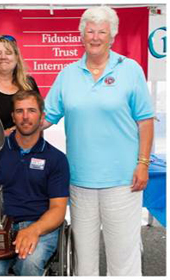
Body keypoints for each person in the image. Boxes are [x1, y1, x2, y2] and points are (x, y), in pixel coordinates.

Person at [43, 6, 154, 276]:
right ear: (81, 35)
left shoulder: (130, 70)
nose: (95, 37)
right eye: (90, 31)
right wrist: (14, 129)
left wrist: (143, 163)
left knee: (123, 257)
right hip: (80, 180)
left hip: (122, 180)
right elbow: (45, 117)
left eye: (101, 31)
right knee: (84, 258)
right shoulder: (68, 74)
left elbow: (146, 121)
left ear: (112, 36)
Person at [0, 90, 70, 276]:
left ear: (42, 117)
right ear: (13, 117)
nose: (25, 117)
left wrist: (34, 230)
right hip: (0, 226)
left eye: (31, 110)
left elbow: (58, 209)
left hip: (40, 225)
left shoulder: (56, 159)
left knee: (29, 262)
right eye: (19, 111)